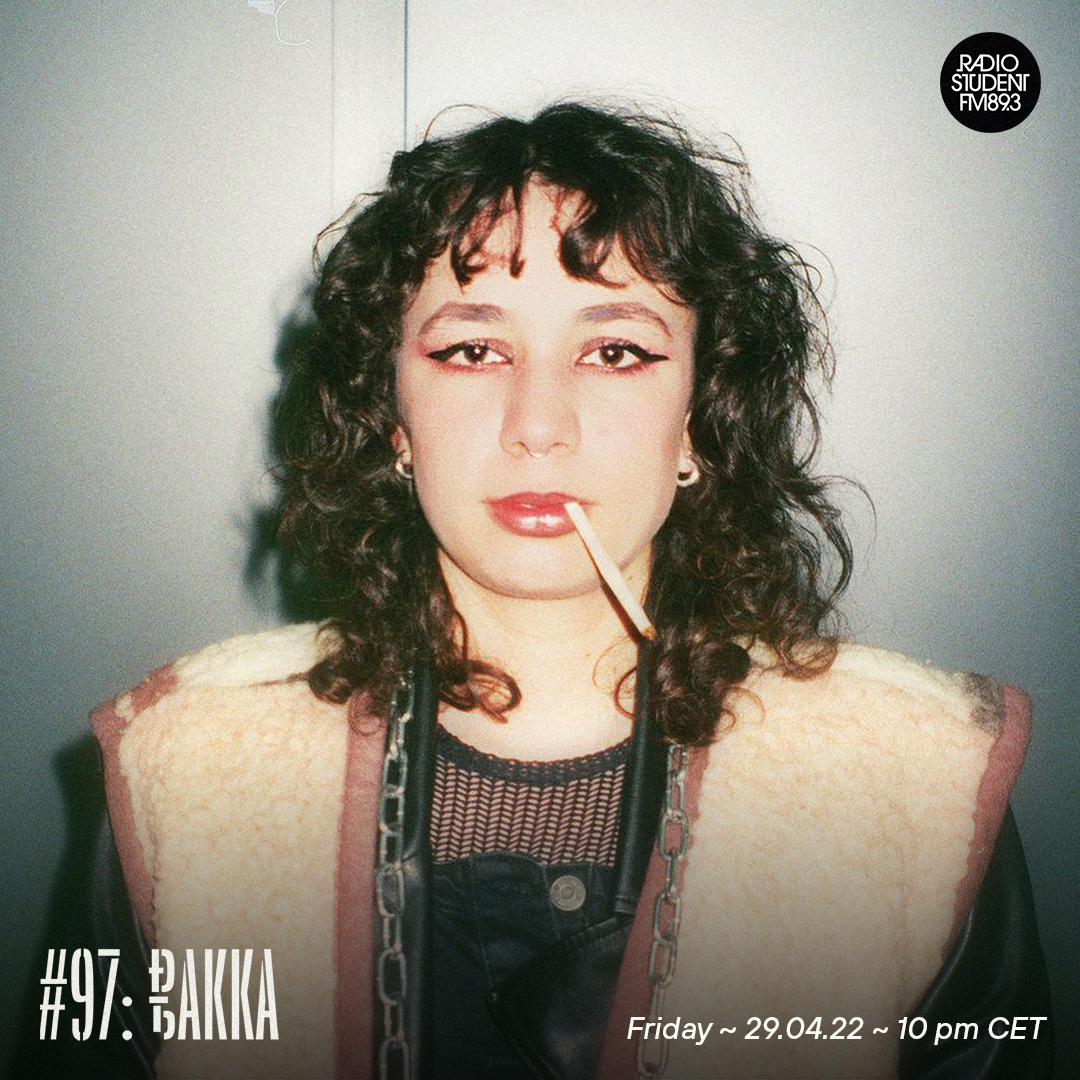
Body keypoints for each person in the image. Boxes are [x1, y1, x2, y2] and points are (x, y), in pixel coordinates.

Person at [82, 103, 1051, 1079]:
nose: (539, 425)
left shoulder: (918, 787)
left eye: (616, 351)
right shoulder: (184, 774)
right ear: (394, 420)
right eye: (472, 350)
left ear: (698, 417)